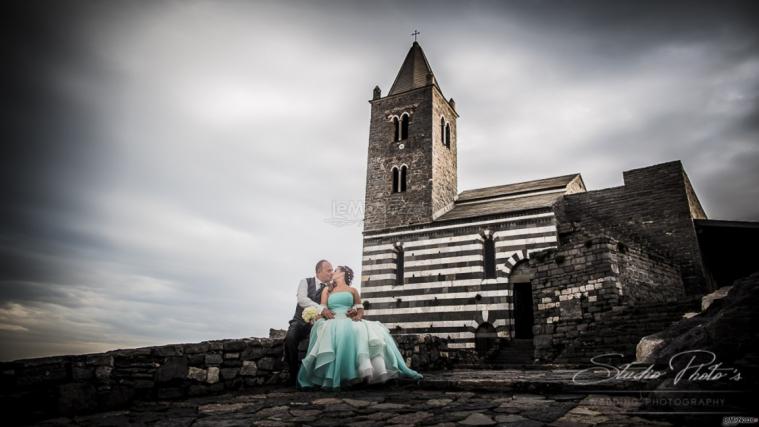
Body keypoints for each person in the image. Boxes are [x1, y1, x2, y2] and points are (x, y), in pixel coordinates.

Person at [297, 265, 423, 390]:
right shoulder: (327, 290)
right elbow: (323, 308)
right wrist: (322, 315)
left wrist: (357, 314)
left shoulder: (353, 290)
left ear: (342, 273)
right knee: (338, 330)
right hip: (333, 319)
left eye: (335, 270)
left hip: (348, 318)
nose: (332, 273)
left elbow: (360, 309)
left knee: (367, 330)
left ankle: (360, 374)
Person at [283, 260, 336, 385]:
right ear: (319, 271)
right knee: (290, 338)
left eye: (332, 270)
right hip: (299, 322)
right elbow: (302, 300)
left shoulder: (331, 288)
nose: (331, 273)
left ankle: (317, 376)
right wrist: (321, 309)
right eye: (329, 270)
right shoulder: (305, 282)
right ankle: (293, 375)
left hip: (319, 324)